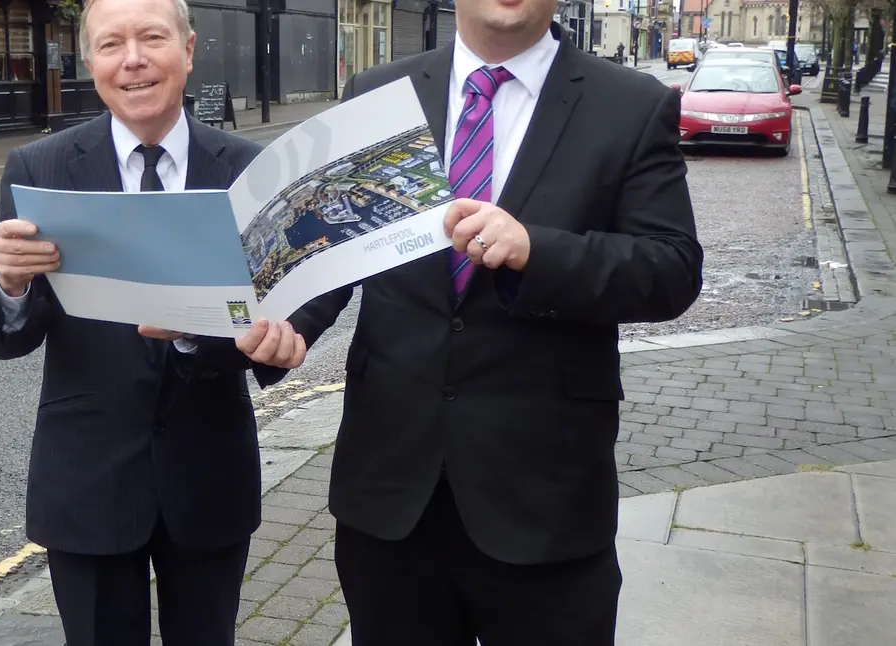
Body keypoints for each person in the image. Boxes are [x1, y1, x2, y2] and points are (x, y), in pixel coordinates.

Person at [240, 5, 704, 645]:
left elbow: (672, 269)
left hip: (544, 501)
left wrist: (536, 251)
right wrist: (279, 331)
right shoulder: (377, 95)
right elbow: (333, 248)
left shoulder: (631, 104)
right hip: (391, 497)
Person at [0, 0, 303, 642]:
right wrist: (11, 281)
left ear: (189, 49)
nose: (134, 60)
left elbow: (280, 309)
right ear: (89, 60)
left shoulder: (251, 171)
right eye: (111, 44)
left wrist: (235, 336)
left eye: (152, 38)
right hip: (87, 481)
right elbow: (2, 336)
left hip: (208, 475)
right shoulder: (39, 169)